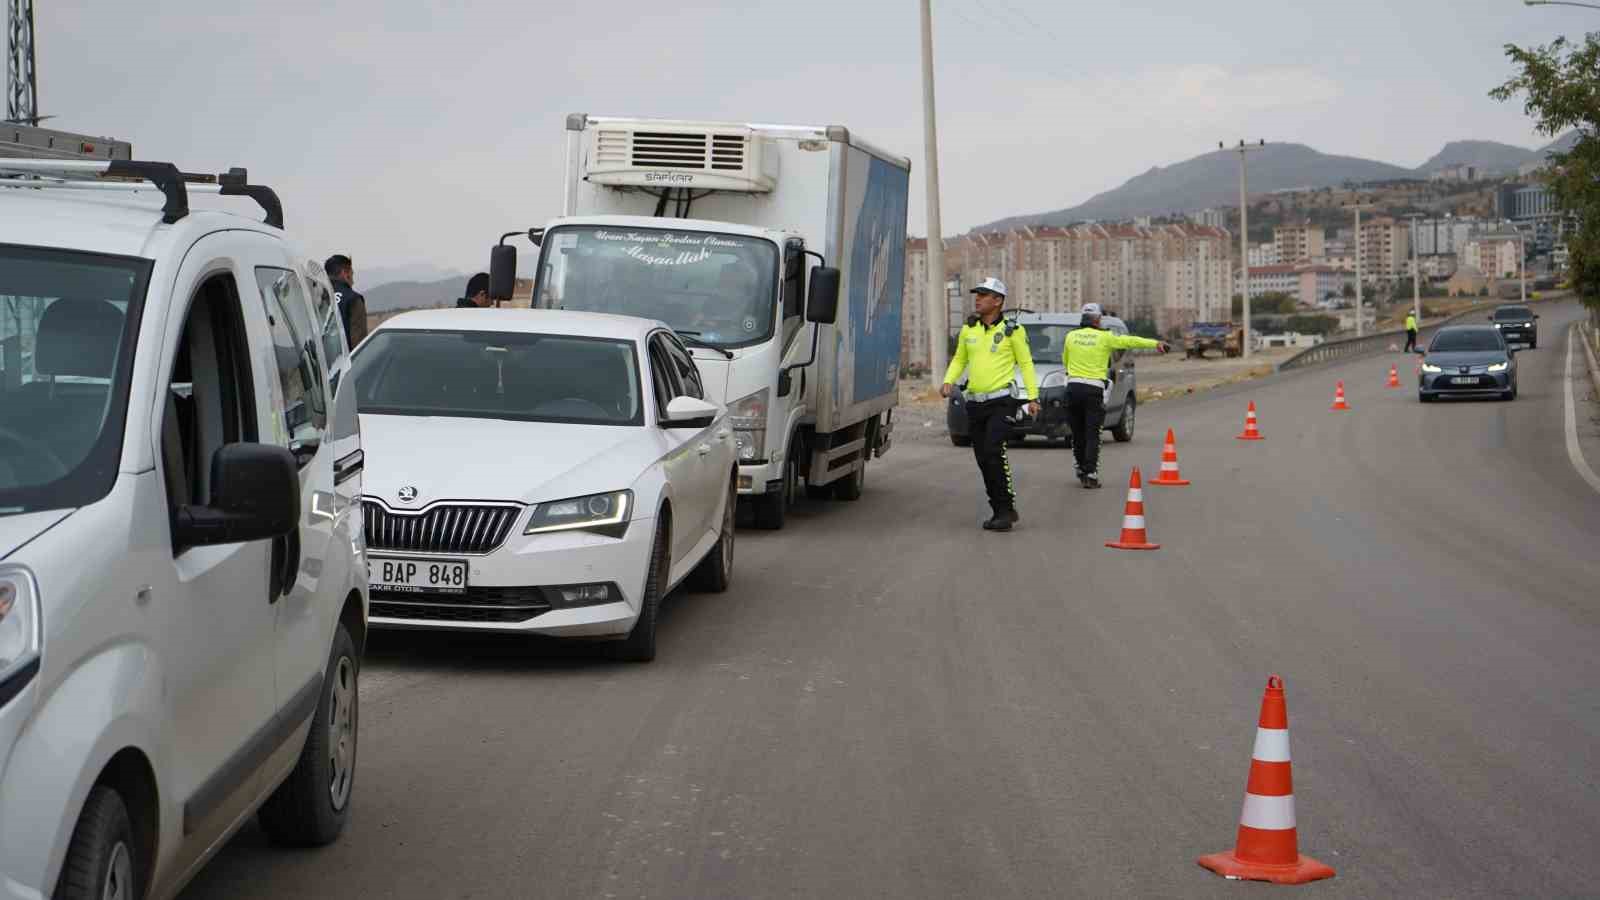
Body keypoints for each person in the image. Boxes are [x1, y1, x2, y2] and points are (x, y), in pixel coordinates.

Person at [941, 277, 1040, 532]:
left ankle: (1005, 511)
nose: (978, 298)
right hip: (975, 404)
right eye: (977, 294)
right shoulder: (968, 329)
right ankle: (999, 509)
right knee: (983, 458)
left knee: (994, 451)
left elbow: (1027, 364)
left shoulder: (1013, 331)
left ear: (998, 301)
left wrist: (1033, 397)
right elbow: (959, 359)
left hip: (1002, 402)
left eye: (984, 295)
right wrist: (948, 381)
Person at [1061, 303, 1169, 489]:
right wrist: (1155, 343)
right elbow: (1130, 341)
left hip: (1073, 388)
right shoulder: (1105, 337)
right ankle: (1091, 473)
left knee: (1077, 432)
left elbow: (1065, 361)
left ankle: (1080, 466)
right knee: (1093, 433)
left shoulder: (1070, 336)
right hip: (1094, 390)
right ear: (1096, 319)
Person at [324, 254, 368, 348]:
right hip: (345, 361)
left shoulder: (318, 297)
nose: (353, 281)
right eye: (352, 274)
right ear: (345, 273)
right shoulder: (353, 299)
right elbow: (359, 345)